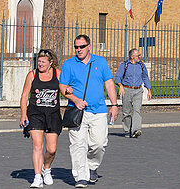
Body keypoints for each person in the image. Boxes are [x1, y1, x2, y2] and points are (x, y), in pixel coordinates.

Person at [59, 35, 118, 187]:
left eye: (82, 47)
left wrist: (114, 105)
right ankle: (81, 177)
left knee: (99, 143)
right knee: (78, 145)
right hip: (76, 111)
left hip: (98, 110)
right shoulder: (69, 64)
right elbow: (62, 87)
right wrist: (75, 99)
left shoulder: (100, 61)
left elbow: (109, 83)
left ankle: (92, 166)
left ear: (89, 46)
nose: (79, 50)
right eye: (76, 47)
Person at [21, 50, 62, 188]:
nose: (40, 64)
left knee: (52, 149)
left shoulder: (58, 73)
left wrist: (70, 91)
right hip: (35, 114)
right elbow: (25, 95)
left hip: (53, 115)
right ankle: (37, 176)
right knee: (37, 145)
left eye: (43, 62)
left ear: (50, 63)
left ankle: (47, 169)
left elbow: (64, 89)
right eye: (39, 61)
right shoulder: (32, 75)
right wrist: (23, 114)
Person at [114, 48, 152, 138]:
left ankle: (136, 130)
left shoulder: (141, 65)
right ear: (132, 57)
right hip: (126, 90)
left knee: (137, 110)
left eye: (140, 55)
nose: (140, 57)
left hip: (138, 90)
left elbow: (145, 77)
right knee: (126, 112)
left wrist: (149, 90)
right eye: (138, 55)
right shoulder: (124, 65)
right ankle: (127, 130)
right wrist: (121, 86)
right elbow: (117, 78)